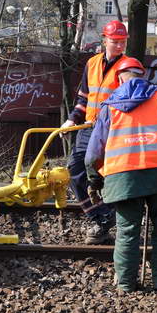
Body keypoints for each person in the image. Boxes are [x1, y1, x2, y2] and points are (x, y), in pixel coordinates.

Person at [84, 57, 157, 292]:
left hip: (123, 176)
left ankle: (125, 285)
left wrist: (95, 180)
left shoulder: (109, 106)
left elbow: (92, 154)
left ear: (120, 78)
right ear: (142, 75)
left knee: (127, 231)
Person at [61, 20, 130, 244]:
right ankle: (101, 217)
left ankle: (107, 219)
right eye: (115, 41)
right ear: (104, 40)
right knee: (75, 171)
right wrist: (71, 120)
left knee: (107, 176)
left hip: (113, 131)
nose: (119, 46)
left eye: (122, 42)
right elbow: (84, 98)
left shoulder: (129, 67)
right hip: (89, 128)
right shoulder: (91, 64)